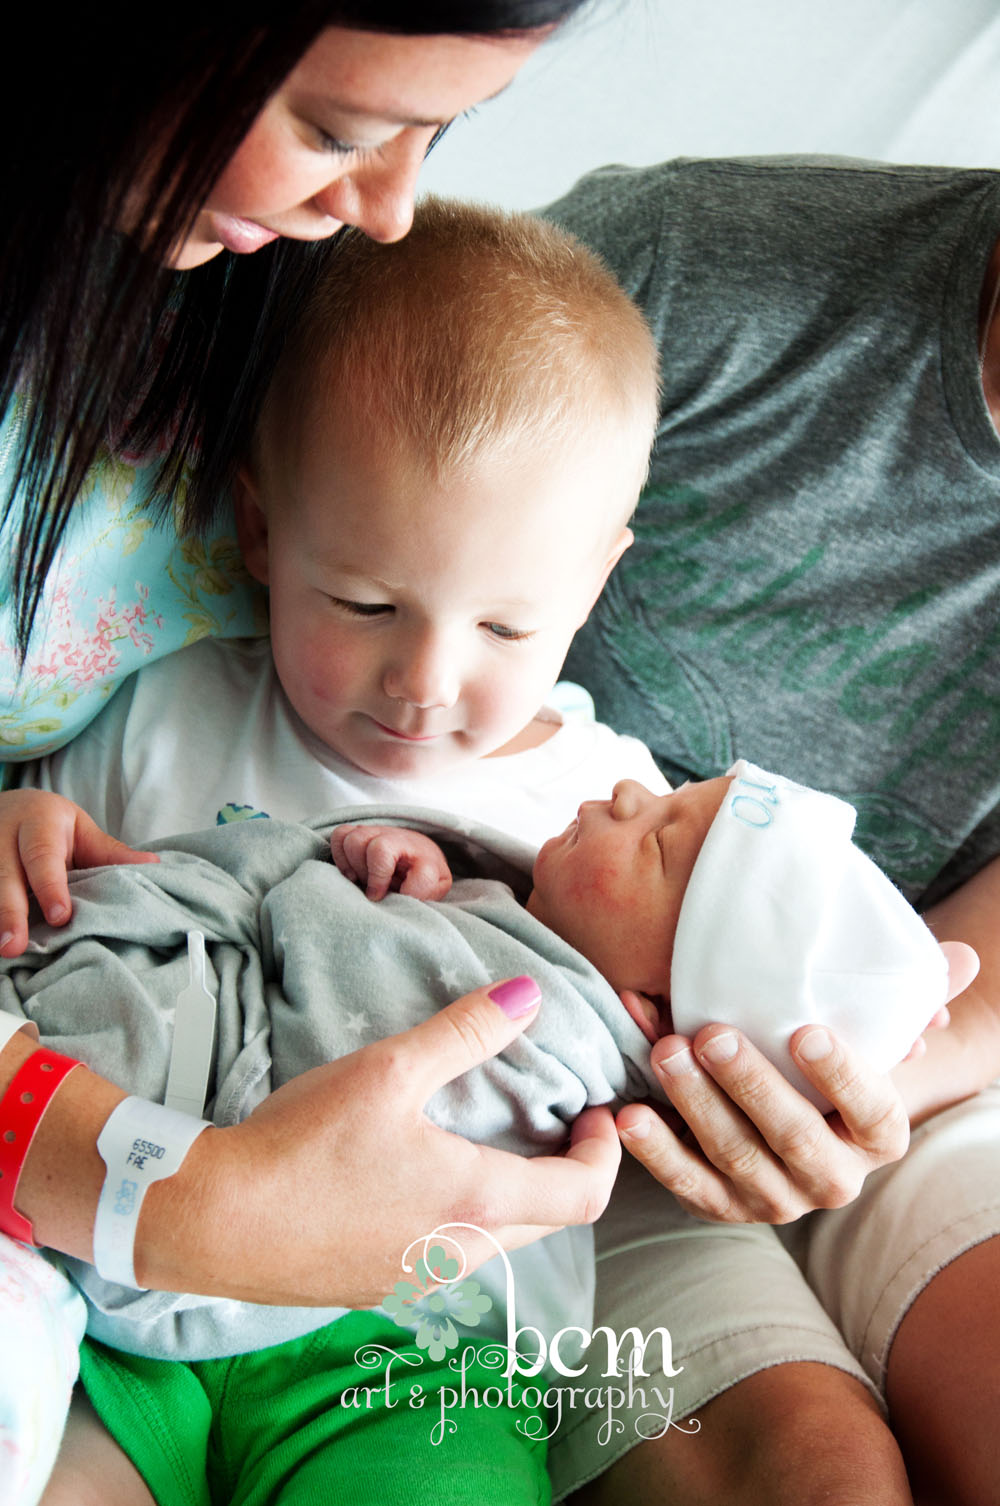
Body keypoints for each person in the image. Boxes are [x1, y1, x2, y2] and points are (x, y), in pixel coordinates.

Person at [0, 11, 636, 1502]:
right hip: (110, 1281)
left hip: (403, 1336)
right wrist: (183, 1200)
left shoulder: (238, 300)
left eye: (437, 137)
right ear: (262, 534)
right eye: (341, 129)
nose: (386, 209)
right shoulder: (174, 707)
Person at [3, 765, 975, 1505]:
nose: (634, 788)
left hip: (379, 1331)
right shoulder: (508, 923)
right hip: (205, 1251)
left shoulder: (548, 1024)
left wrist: (339, 890)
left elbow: (326, 963)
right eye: (673, 794)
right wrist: (410, 867)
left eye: (663, 842)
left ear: (648, 1008)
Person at [537, 155, 1000, 1506]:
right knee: (812, 1471)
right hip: (554, 1040)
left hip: (929, 1058)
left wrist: (873, 1081)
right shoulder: (685, 271)